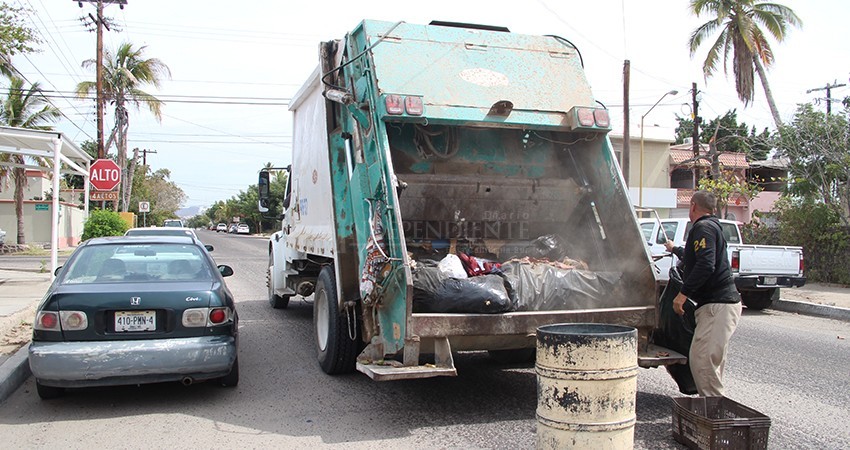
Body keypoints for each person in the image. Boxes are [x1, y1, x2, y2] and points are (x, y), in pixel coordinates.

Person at [664, 190, 742, 397]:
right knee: (710, 362)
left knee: (701, 360)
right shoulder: (712, 226)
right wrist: (676, 250)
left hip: (718, 305)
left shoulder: (703, 227)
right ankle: (712, 411)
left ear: (692, 206)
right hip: (721, 305)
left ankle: (712, 414)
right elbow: (698, 258)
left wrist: (682, 294)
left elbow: (706, 264)